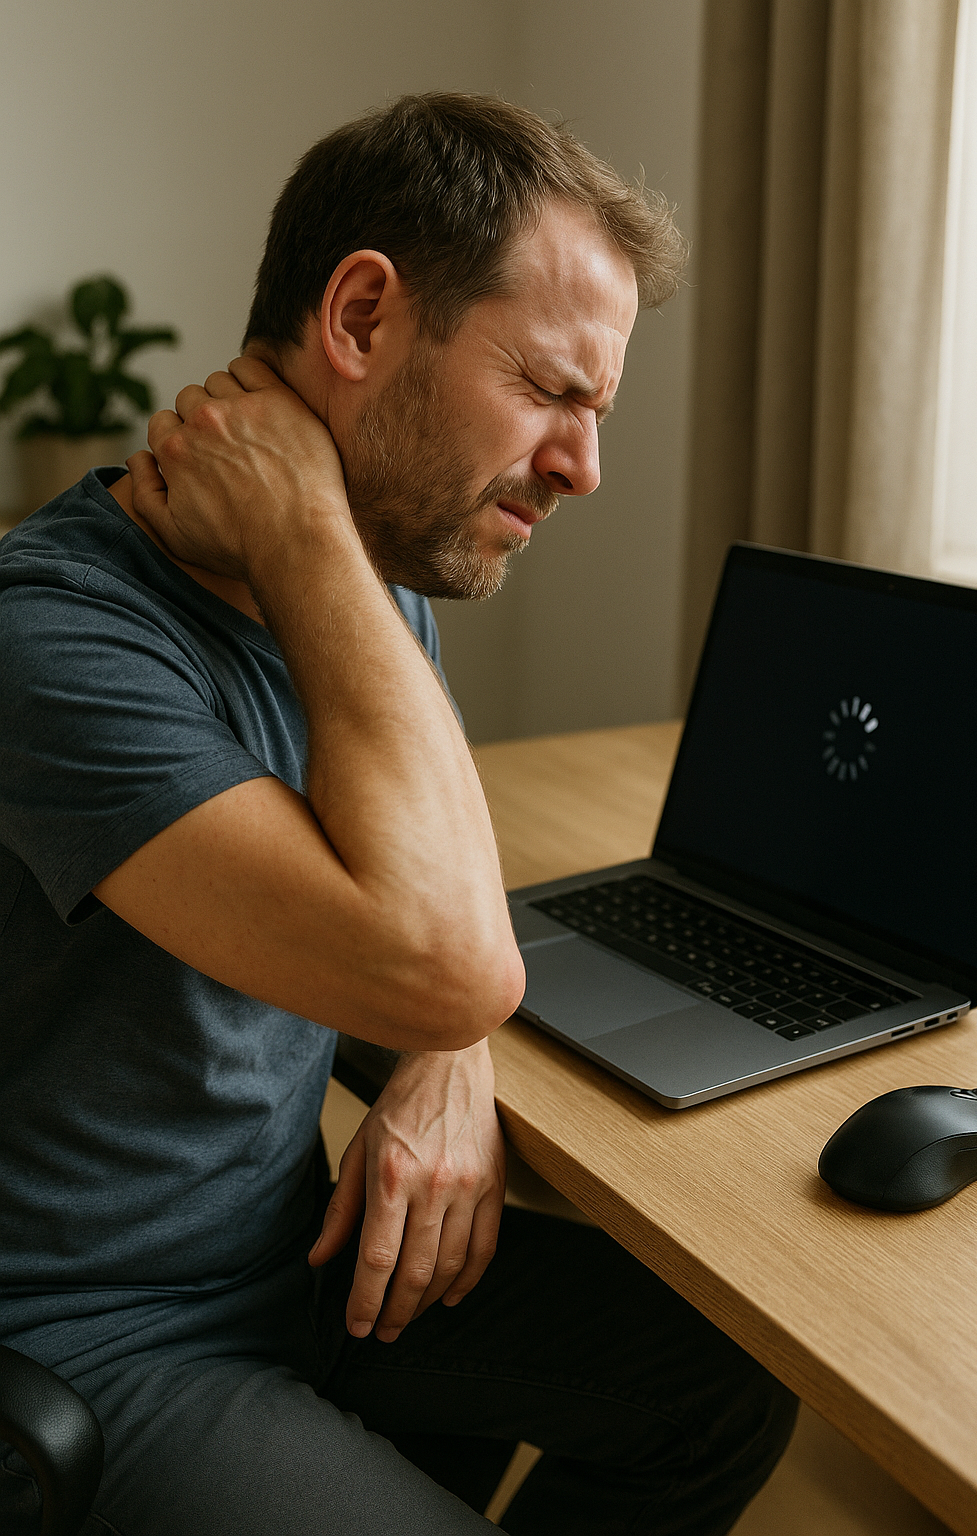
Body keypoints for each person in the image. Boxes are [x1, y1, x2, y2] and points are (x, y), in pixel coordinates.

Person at [0, 94, 796, 1534]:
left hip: (290, 1257)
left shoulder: (361, 581)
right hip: (97, 1334)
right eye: (554, 389)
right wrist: (308, 531)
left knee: (724, 1388)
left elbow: (442, 936)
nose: (582, 466)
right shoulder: (53, 641)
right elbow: (454, 957)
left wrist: (448, 1064)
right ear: (361, 316)